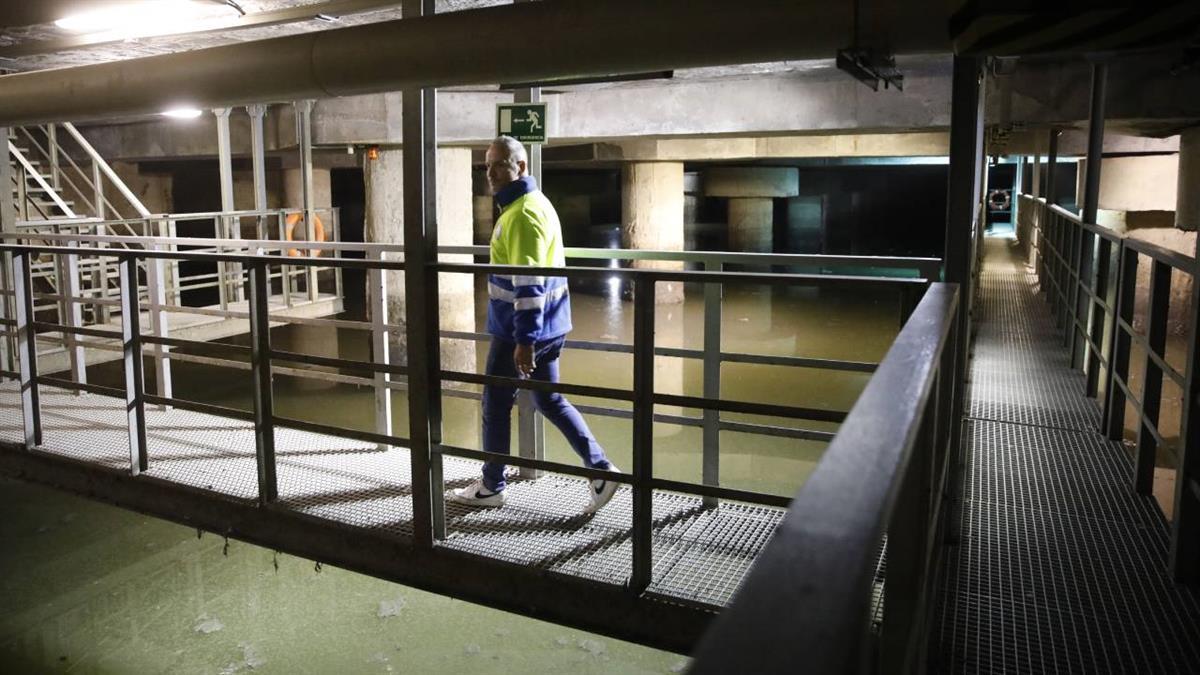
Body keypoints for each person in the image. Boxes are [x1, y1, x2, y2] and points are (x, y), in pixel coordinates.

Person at [450, 136, 620, 514]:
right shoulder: (532, 204)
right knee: (549, 398)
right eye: (488, 166)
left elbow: (529, 282)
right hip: (550, 325)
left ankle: (492, 485)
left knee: (495, 403)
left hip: (521, 330)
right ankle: (602, 471)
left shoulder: (523, 214)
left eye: (499, 165)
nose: (491, 173)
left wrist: (523, 340)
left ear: (521, 167)